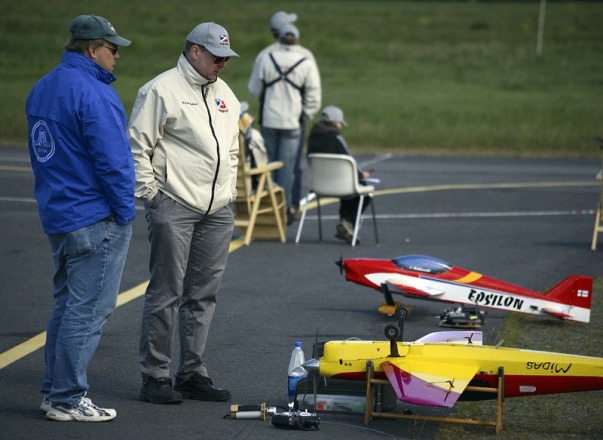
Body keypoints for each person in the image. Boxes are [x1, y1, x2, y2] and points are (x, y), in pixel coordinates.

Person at [25, 14, 135, 422]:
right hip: (94, 216)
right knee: (87, 311)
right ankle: (67, 398)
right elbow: (114, 163)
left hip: (59, 212)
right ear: (92, 49)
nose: (116, 55)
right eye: (112, 48)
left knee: (67, 305)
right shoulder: (95, 94)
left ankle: (54, 391)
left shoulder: (42, 86)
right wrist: (125, 213)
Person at [128, 22, 240, 405]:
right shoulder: (160, 89)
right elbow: (136, 146)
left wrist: (229, 193)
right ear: (195, 52)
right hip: (174, 204)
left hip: (217, 209)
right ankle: (155, 376)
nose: (223, 64)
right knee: (166, 292)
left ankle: (192, 372)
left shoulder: (225, 93)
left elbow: (232, 148)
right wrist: (152, 196)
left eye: (226, 57)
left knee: (204, 294)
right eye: (217, 57)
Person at [248, 23, 321, 225]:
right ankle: (285, 209)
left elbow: (254, 89)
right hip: (292, 122)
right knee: (287, 168)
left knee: (268, 165)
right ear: (297, 40)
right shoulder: (305, 61)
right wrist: (305, 115)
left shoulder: (266, 57)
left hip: (269, 120)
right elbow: (314, 96)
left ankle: (268, 208)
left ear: (279, 39)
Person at [307, 106, 372, 244]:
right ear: (336, 122)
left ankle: (345, 224)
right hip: (340, 185)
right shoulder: (337, 138)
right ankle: (348, 223)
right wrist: (361, 175)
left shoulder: (312, 138)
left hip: (318, 185)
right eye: (340, 123)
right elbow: (348, 161)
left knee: (350, 190)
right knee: (361, 193)